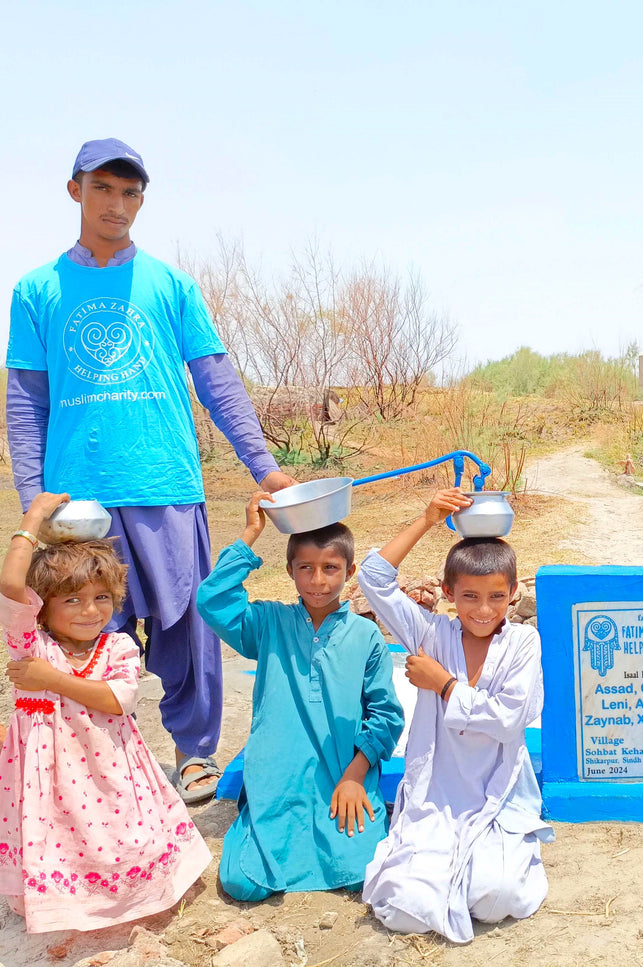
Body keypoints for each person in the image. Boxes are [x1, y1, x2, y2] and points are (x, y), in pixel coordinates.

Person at [5, 139, 297, 803]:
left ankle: (193, 754)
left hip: (166, 485)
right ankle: (102, 766)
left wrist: (266, 465)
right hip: (80, 505)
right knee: (87, 629)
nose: (118, 204)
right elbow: (25, 402)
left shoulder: (171, 285)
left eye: (131, 192)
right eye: (104, 188)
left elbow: (217, 381)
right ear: (75, 190)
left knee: (188, 627)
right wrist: (32, 498)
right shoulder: (37, 290)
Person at [0, 493, 211, 933]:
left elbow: (118, 700)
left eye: (100, 597)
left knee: (121, 835)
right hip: (49, 781)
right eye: (71, 600)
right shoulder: (33, 646)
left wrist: (50, 679)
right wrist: (33, 518)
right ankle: (67, 905)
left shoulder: (118, 646)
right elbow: (9, 584)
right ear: (42, 607)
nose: (90, 610)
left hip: (112, 773)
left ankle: (137, 896)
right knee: (61, 839)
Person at [358, 489, 553, 944]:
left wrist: (443, 683)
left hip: (499, 794)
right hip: (437, 797)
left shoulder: (523, 643)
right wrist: (426, 520)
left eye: (495, 597)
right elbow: (373, 578)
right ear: (448, 593)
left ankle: (482, 866)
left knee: (497, 898)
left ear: (513, 593)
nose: (483, 610)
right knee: (403, 907)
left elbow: (508, 721)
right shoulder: (430, 632)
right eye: (469, 596)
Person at [195, 492, 403, 900]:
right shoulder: (268, 623)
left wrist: (355, 777)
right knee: (243, 883)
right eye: (305, 568)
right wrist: (251, 533)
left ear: (350, 570)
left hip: (342, 774)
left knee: (364, 873)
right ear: (290, 571)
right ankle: (253, 813)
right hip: (279, 777)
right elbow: (212, 600)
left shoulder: (365, 635)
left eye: (330, 568)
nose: (318, 580)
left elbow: (386, 716)